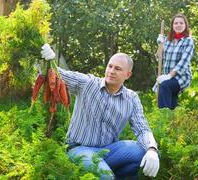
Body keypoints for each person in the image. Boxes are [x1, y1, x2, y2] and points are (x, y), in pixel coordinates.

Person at [41, 46, 160, 179]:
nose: (111, 71)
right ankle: (107, 174)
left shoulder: (131, 98)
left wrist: (152, 150)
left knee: (141, 151)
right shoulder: (87, 83)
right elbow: (56, 76)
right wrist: (47, 61)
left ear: (128, 74)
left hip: (109, 151)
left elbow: (142, 128)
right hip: (79, 149)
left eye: (118, 68)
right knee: (106, 176)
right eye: (110, 66)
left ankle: (118, 175)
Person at [155, 13, 194, 110]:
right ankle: (172, 119)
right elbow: (158, 57)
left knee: (165, 86)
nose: (178, 25)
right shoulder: (168, 40)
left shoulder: (188, 41)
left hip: (181, 77)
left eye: (181, 23)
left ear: (185, 25)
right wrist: (160, 44)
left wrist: (169, 76)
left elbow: (184, 62)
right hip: (167, 76)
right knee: (170, 99)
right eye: (176, 23)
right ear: (172, 26)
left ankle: (163, 116)